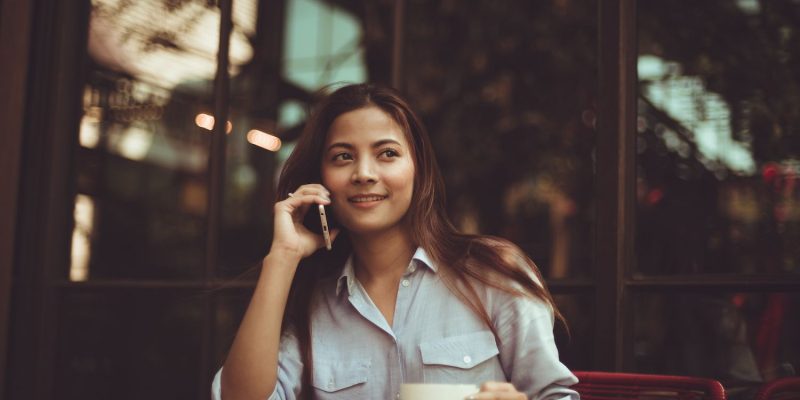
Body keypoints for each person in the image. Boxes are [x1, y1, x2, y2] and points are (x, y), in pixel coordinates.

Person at [212, 83, 578, 400]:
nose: (364, 174)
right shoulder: (312, 303)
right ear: (321, 179)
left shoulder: (492, 271)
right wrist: (282, 257)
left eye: (387, 153)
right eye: (343, 157)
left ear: (417, 169)